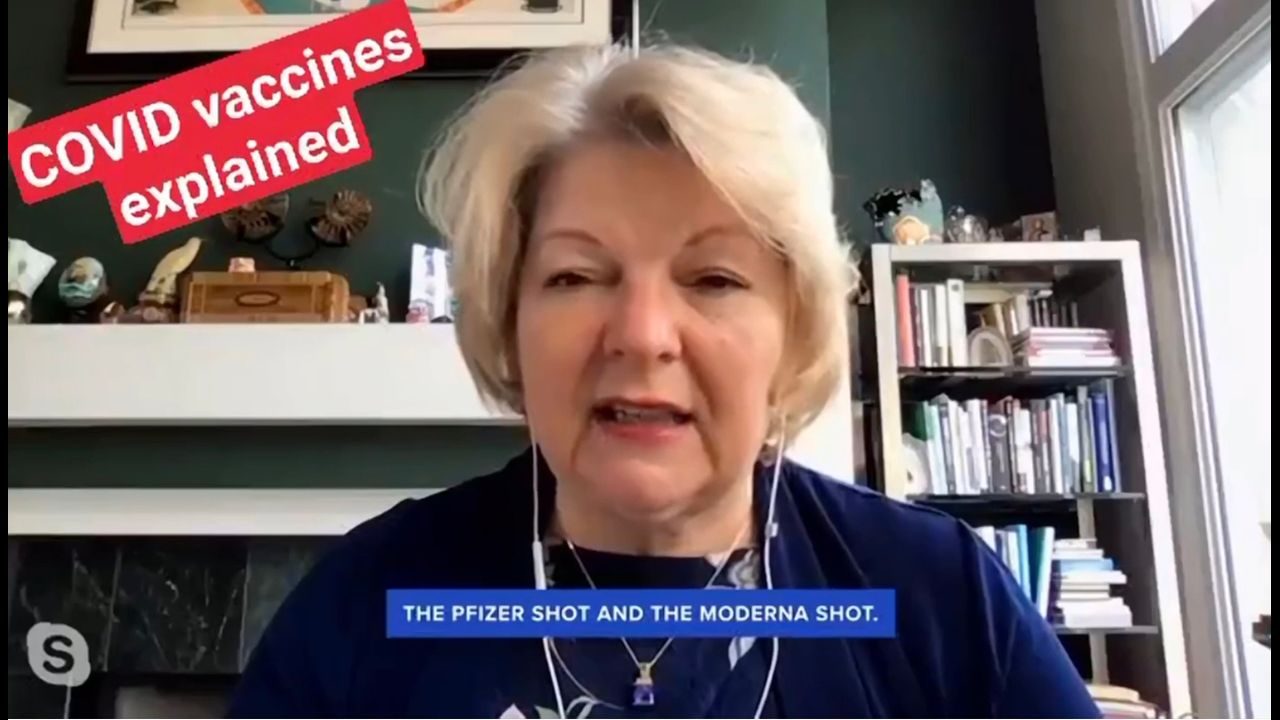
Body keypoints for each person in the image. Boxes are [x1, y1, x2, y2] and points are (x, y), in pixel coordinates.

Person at [228, 42, 1101, 719]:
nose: (642, 335)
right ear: (509, 319)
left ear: (793, 330)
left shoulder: (938, 596)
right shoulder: (371, 599)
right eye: (576, 276)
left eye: (713, 279)